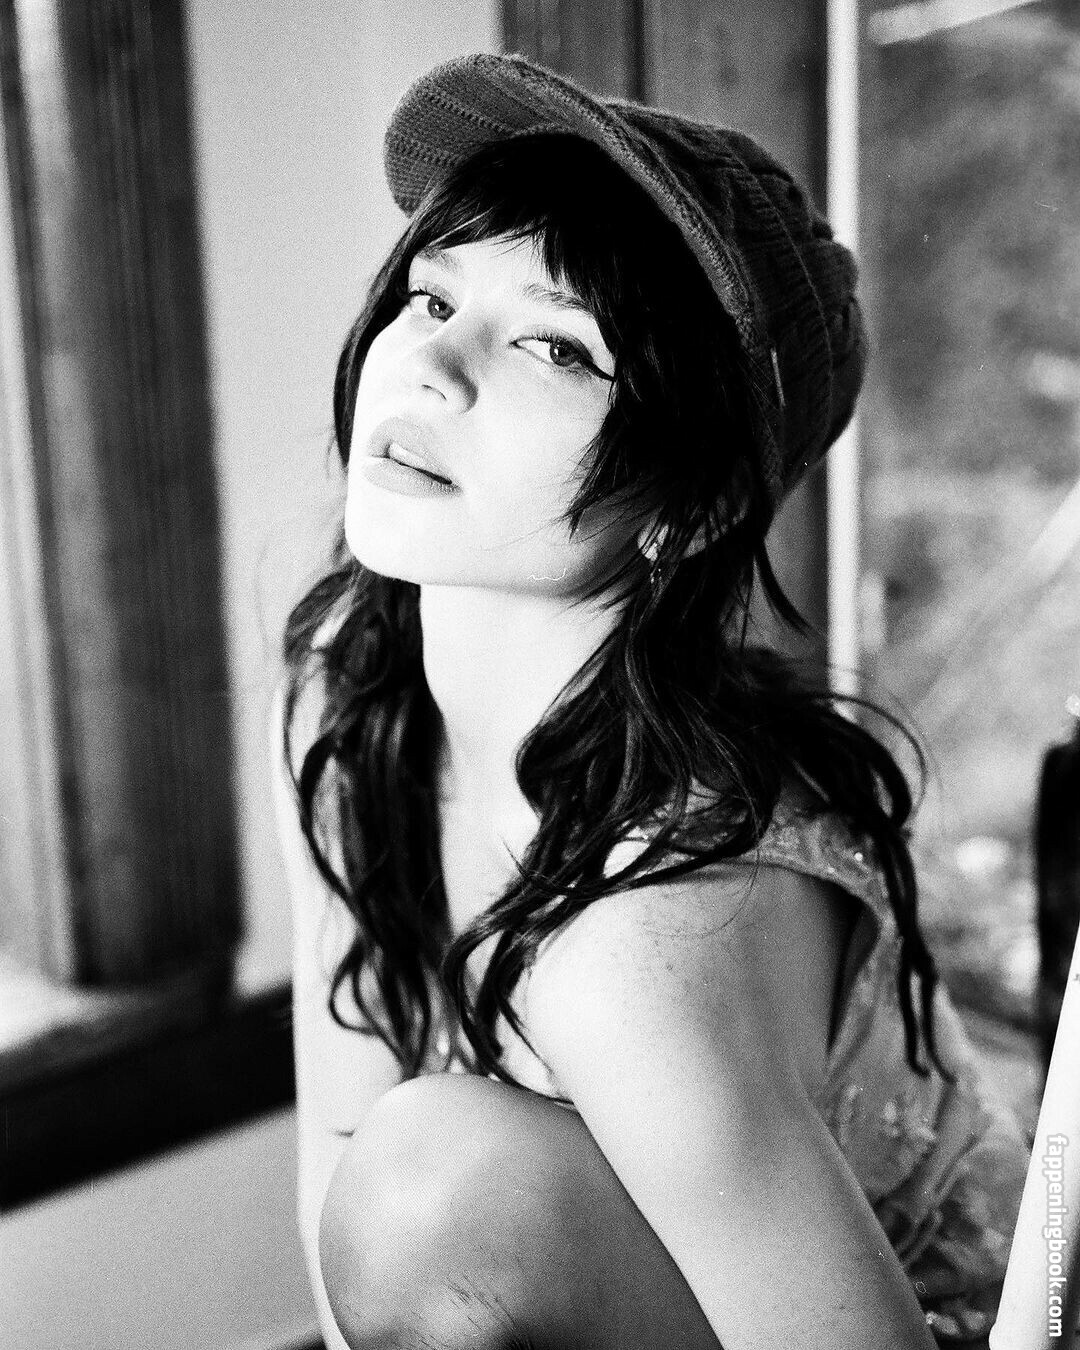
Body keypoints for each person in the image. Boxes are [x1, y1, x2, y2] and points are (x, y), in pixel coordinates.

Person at [270, 52, 1030, 1350]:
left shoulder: (649, 934)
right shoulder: (348, 693)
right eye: (433, 294)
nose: (433, 365)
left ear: (693, 505)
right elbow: (334, 1159)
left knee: (429, 1189)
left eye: (556, 344)